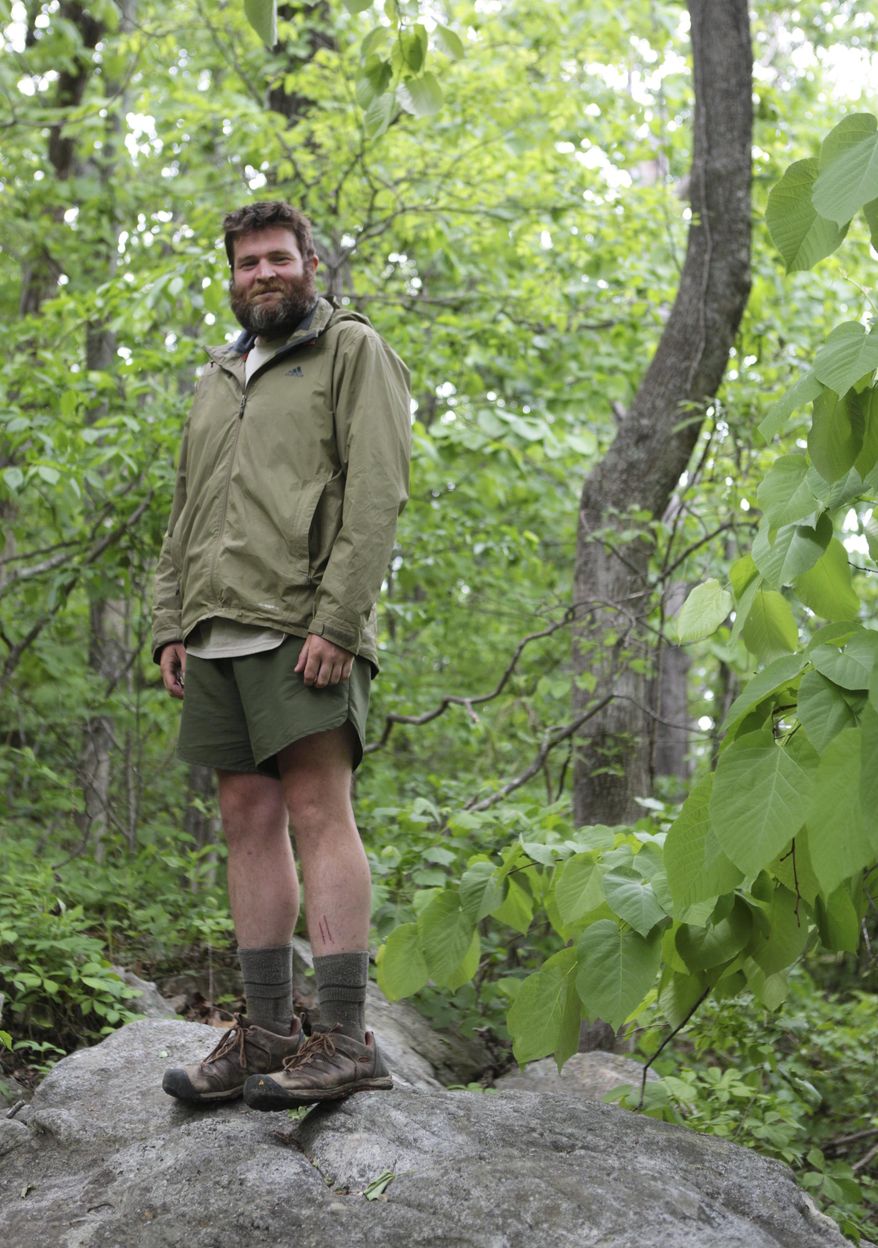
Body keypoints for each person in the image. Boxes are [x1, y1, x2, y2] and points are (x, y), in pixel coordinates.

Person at [152, 201, 411, 1110]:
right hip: (217, 629)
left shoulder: (350, 352)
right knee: (244, 820)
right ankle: (266, 1032)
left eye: (277, 258)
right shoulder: (220, 376)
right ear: (232, 279)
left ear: (311, 264)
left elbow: (378, 491)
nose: (262, 274)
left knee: (316, 808)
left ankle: (343, 1038)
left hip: (306, 626)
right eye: (246, 264)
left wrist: (339, 621)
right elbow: (186, 512)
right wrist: (169, 622)